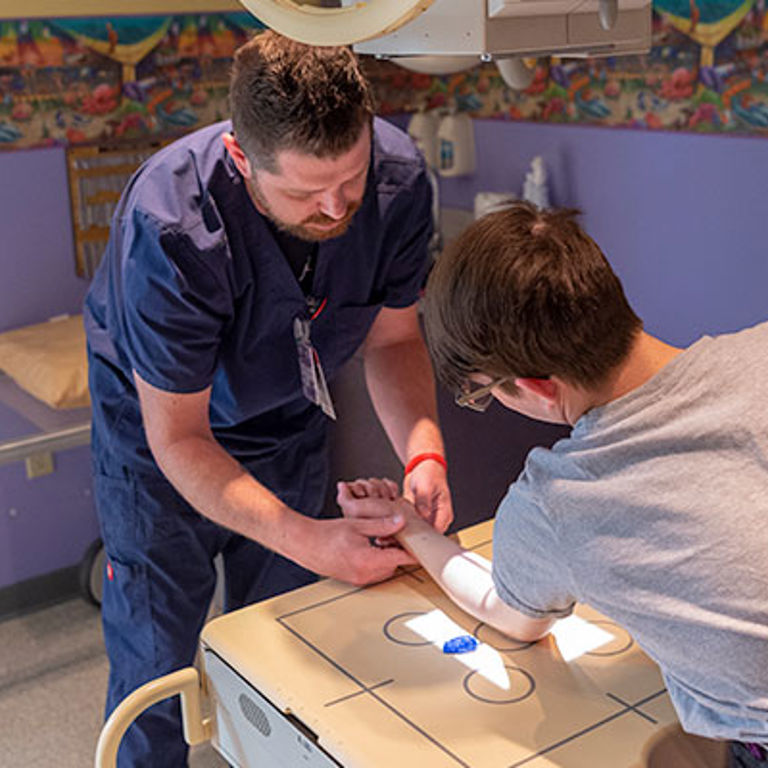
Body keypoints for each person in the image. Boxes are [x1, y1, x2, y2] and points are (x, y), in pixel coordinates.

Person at [84, 31, 453, 766]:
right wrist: (307, 537)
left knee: (284, 648)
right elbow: (181, 438)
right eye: (304, 192)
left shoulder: (400, 180)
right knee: (159, 666)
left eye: (350, 179)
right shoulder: (171, 226)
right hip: (159, 449)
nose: (334, 206)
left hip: (288, 419)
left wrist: (424, 452)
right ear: (240, 158)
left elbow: (392, 341)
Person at [338, 202, 768, 768]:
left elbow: (514, 617)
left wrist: (412, 528)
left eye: (485, 393)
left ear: (538, 387)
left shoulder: (561, 497)